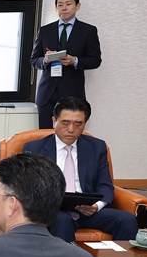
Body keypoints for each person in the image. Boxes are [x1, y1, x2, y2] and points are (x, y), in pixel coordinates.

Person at [23, 96, 138, 243]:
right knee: (62, 220)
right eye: (65, 123)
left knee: (127, 219)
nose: (71, 129)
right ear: (54, 121)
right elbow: (28, 187)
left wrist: (96, 206)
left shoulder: (97, 147)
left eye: (78, 124)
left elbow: (105, 184)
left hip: (86, 211)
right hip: (53, 211)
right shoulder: (34, 149)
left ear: (85, 124)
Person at [30, 0, 102, 129]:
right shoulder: (45, 30)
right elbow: (34, 60)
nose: (64, 8)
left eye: (68, 4)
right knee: (45, 136)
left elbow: (95, 60)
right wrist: (45, 60)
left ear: (77, 6)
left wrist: (75, 61)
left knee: (70, 134)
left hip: (72, 93)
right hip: (47, 94)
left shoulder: (88, 30)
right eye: (60, 4)